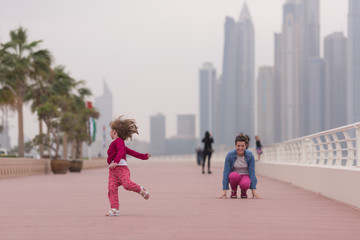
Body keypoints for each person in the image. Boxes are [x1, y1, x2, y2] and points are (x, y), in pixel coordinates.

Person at [105, 116, 151, 216]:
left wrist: (116, 162)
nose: (110, 132)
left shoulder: (119, 141)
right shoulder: (117, 143)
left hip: (121, 168)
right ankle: (115, 209)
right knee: (112, 189)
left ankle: (140, 190)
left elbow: (122, 152)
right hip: (113, 171)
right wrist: (143, 156)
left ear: (114, 131)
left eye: (110, 130)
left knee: (127, 184)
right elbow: (132, 152)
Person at [218, 135, 259, 199]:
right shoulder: (230, 155)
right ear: (235, 145)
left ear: (246, 146)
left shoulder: (250, 155)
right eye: (238, 146)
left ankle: (243, 191)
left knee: (245, 183)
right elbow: (226, 172)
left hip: (245, 175)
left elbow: (252, 172)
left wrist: (253, 190)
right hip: (234, 175)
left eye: (242, 146)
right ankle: (233, 191)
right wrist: (224, 190)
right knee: (234, 176)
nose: (240, 148)